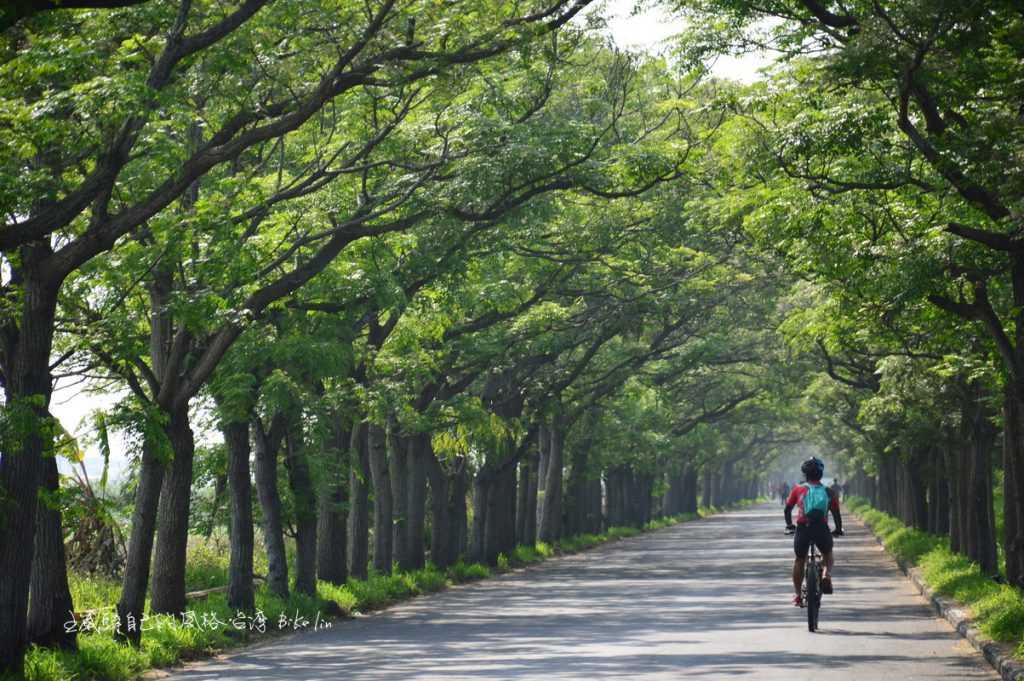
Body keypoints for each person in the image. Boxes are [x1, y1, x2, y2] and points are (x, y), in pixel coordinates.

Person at [785, 457, 843, 607]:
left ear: (805, 474)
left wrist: (790, 525)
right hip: (821, 529)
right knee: (828, 555)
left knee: (799, 560)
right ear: (821, 474)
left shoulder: (798, 489)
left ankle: (798, 595)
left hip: (803, 528)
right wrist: (838, 529)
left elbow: (788, 509)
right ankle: (826, 574)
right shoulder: (829, 492)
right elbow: (836, 514)